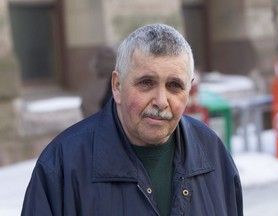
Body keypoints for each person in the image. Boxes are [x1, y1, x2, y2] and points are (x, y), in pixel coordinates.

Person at [21, 24, 243, 216]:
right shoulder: (62, 165)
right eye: (146, 83)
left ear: (189, 89)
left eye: (174, 85)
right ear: (117, 86)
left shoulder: (212, 153)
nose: (161, 101)